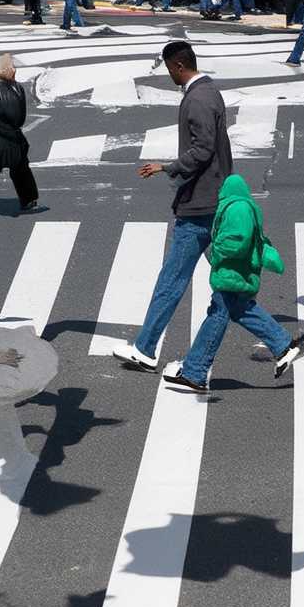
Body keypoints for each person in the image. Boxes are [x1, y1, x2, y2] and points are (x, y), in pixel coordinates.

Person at [120, 40, 231, 371]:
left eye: (169, 68)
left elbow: (203, 149)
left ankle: (146, 348)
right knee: (227, 280)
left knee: (172, 280)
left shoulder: (196, 99)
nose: (168, 73)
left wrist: (167, 167)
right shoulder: (209, 91)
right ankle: (280, 343)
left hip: (199, 202)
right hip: (215, 196)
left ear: (178, 66)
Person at [165, 174, 304, 393]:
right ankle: (283, 346)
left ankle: (195, 372)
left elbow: (237, 242)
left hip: (232, 274)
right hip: (238, 274)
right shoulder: (243, 206)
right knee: (243, 310)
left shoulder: (237, 209)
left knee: (217, 316)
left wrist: (216, 250)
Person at [0, 53, 46, 213]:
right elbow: (20, 117)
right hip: (15, 139)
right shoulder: (19, 89)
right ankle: (29, 200)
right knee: (21, 170)